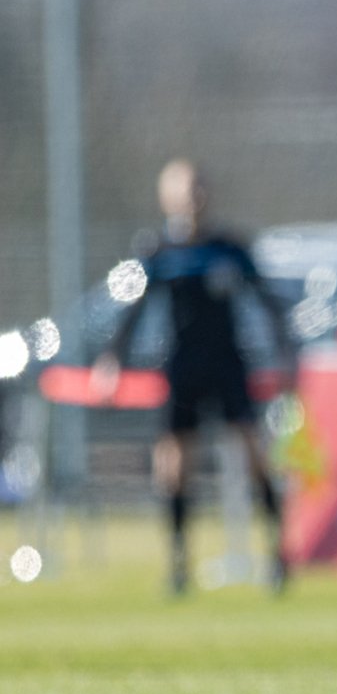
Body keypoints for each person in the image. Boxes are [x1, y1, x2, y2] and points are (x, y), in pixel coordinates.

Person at [92, 159, 298, 596]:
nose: (195, 197)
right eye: (186, 189)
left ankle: (277, 555)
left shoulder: (229, 248)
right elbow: (133, 311)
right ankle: (179, 563)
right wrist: (112, 360)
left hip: (228, 364)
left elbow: (266, 301)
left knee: (253, 452)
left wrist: (286, 352)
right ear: (168, 198)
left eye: (200, 187)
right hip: (182, 367)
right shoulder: (158, 253)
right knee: (174, 466)